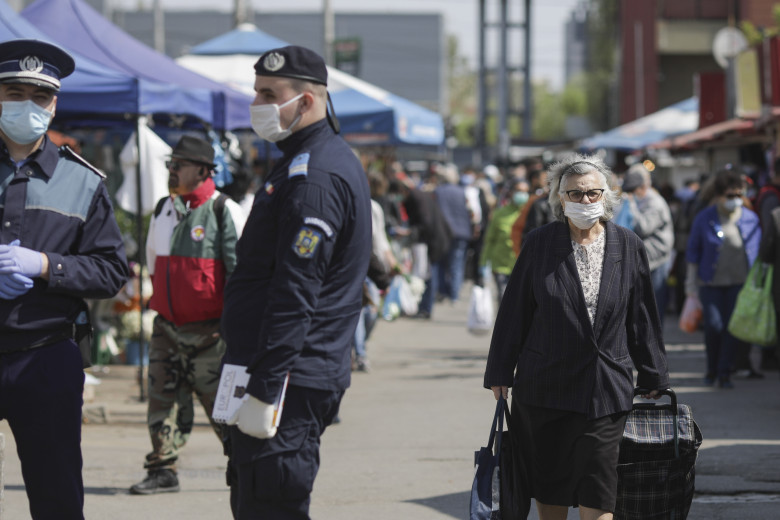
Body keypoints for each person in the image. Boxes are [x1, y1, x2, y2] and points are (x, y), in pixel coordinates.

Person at [220, 45, 372, 519]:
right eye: (256, 92)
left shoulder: (316, 176)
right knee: (254, 498)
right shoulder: (298, 159)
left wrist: (265, 387)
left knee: (272, 504)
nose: (258, 104)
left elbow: (295, 293)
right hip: (274, 367)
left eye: (269, 94)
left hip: (288, 376)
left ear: (306, 101)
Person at [484, 154, 669, 520]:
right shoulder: (540, 244)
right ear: (560, 198)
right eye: (575, 194)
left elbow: (642, 315)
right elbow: (514, 311)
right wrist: (500, 372)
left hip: (605, 389)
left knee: (599, 490)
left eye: (592, 193)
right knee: (550, 488)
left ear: (606, 196)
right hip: (545, 389)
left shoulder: (627, 245)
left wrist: (653, 373)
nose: (585, 201)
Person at [0, 40, 129, 518]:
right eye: (14, 93)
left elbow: (112, 270)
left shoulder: (85, 181)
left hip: (46, 356)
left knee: (56, 496)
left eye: (39, 96)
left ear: (54, 105)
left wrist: (46, 266)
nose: (27, 105)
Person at [130, 136, 246, 495]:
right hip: (167, 328)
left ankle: (246, 468)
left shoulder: (223, 210)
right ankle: (162, 469)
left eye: (178, 165)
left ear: (202, 170)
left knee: (225, 411)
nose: (171, 170)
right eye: (170, 164)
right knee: (162, 401)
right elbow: (152, 262)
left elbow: (240, 275)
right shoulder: (165, 208)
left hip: (213, 335)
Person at [685, 168, 762, 388]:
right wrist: (690, 285)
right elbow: (693, 251)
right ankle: (711, 369)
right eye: (730, 196)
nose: (735, 200)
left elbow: (757, 256)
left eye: (739, 195)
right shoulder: (704, 218)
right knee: (714, 326)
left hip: (740, 284)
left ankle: (725, 371)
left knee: (732, 329)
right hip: (711, 283)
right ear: (719, 195)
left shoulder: (751, 219)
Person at [619, 164, 675, 325]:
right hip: (644, 261)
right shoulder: (640, 200)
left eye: (633, 190)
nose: (630, 195)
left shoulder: (655, 203)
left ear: (643, 187)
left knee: (654, 309)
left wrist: (632, 207)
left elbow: (643, 228)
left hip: (656, 261)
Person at [480, 178, 529, 306]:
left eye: (525, 191)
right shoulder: (500, 213)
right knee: (504, 299)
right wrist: (484, 263)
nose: (521, 194)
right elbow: (490, 239)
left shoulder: (530, 213)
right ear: (511, 192)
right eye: (518, 191)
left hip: (522, 265)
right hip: (500, 264)